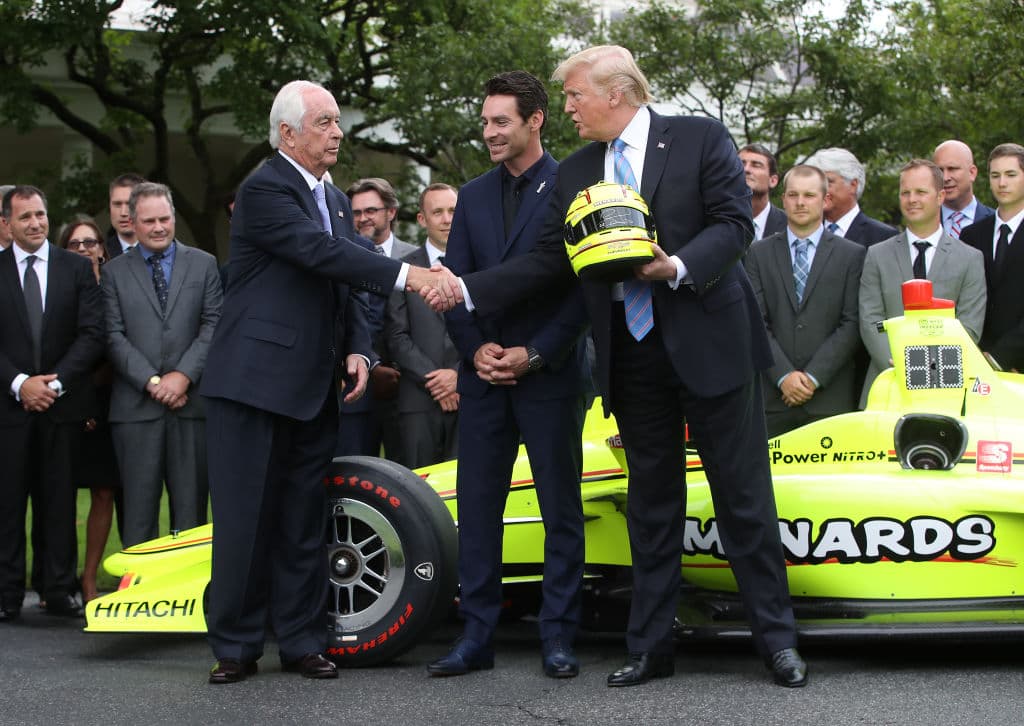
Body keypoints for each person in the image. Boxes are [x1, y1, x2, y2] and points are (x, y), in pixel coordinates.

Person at [425, 46, 806, 688]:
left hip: (712, 347)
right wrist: (462, 289)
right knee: (652, 507)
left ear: (615, 92)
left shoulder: (700, 137)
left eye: (573, 96)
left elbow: (735, 224)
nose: (566, 109)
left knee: (743, 502)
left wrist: (674, 266)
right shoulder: (575, 170)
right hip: (632, 357)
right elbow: (550, 260)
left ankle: (778, 643)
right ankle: (651, 648)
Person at [198, 79, 454, 684]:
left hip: (314, 387)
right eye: (325, 122)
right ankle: (234, 647)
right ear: (288, 134)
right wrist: (410, 276)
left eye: (338, 121)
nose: (337, 132)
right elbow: (319, 254)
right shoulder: (264, 189)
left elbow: (343, 285)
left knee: (303, 521)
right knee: (246, 521)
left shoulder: (336, 199)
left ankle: (303, 640)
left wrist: (361, 349)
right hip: (253, 386)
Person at [427, 71, 591, 680]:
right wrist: (475, 352)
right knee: (479, 508)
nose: (490, 132)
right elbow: (455, 288)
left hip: (549, 376)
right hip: (483, 377)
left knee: (560, 509)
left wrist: (536, 353)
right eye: (486, 121)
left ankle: (558, 636)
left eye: (501, 121)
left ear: (535, 120)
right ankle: (477, 636)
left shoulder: (575, 186)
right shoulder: (469, 196)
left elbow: (582, 288)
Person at [0, 186, 103, 620]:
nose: (36, 223)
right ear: (7, 223)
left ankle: (57, 588)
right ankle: (6, 595)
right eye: (25, 217)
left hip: (62, 406)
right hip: (9, 408)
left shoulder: (74, 269)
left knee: (59, 501)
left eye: (40, 215)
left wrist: (54, 385)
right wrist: (21, 383)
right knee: (6, 505)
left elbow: (92, 333)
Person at [101, 182, 223, 546]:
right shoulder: (113, 272)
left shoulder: (204, 264)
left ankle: (187, 597)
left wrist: (183, 377)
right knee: (138, 516)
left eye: (165, 219)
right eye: (149, 221)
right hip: (136, 411)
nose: (158, 227)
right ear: (133, 223)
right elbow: (112, 335)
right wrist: (155, 383)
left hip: (192, 408)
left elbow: (214, 323)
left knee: (192, 516)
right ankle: (136, 595)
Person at [744, 165, 866, 436]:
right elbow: (754, 322)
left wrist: (812, 378)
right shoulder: (757, 254)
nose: (800, 202)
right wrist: (783, 376)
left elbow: (852, 323)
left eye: (809, 195)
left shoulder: (852, 255)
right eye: (793, 195)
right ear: (783, 199)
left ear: (825, 201)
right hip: (772, 399)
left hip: (830, 399)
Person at [859, 159, 986, 405]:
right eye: (905, 192)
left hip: (948, 389)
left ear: (940, 197)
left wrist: (926, 368)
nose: (911, 199)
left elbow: (969, 326)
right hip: (887, 385)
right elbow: (870, 320)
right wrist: (900, 364)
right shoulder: (876, 255)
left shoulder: (969, 258)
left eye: (920, 192)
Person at [57, 215, 121, 602]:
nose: (84, 249)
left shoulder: (114, 285)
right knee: (59, 493)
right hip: (65, 399)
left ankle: (90, 578)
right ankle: (58, 579)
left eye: (91, 242)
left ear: (102, 247)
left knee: (103, 492)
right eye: (75, 244)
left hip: (110, 401)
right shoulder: (60, 288)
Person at [336, 177, 415, 459]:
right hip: (360, 386)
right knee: (355, 470)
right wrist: (374, 363)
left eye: (371, 211)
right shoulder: (341, 256)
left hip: (412, 388)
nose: (363, 219)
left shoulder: (417, 259)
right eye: (356, 213)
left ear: (391, 212)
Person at [384, 183, 461, 469]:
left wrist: (457, 377)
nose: (447, 219)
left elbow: (491, 328)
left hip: (469, 395)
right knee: (418, 491)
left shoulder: (480, 266)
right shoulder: (403, 269)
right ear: (421, 219)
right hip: (417, 401)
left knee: (468, 489)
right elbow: (396, 336)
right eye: (437, 212)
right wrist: (437, 381)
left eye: (453, 210)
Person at [960, 143, 1024, 371]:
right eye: (995, 175)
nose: (1002, 183)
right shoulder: (971, 235)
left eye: (1011, 175)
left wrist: (1001, 357)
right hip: (974, 362)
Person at [803, 148, 896, 246]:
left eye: (828, 182)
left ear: (853, 185)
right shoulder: (805, 232)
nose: (819, 190)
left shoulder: (883, 237)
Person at [933, 140, 995, 239]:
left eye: (952, 169)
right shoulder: (924, 223)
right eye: (939, 170)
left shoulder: (997, 223)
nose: (945, 178)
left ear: (972, 173)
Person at [738, 144, 786, 240]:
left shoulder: (790, 226)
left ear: (773, 180)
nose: (746, 169)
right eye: (740, 164)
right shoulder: (712, 220)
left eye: (756, 165)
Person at [103, 173, 146, 261]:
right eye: (117, 204)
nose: (123, 213)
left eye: (130, 204)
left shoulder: (165, 252)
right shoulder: (100, 255)